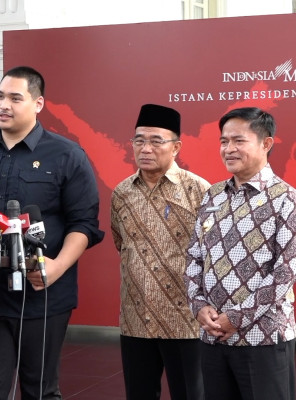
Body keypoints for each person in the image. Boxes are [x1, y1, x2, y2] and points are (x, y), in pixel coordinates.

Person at [0, 65, 104, 400]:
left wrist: (57, 267)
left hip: (43, 294)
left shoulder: (67, 155)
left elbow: (84, 224)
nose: (3, 105)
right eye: (0, 96)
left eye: (15, 98)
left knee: (40, 391)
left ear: (38, 103)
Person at [184, 107, 296, 400]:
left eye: (238, 141)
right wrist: (198, 306)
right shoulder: (213, 195)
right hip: (213, 336)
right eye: (224, 141)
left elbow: (285, 271)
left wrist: (236, 317)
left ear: (266, 144)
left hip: (263, 339)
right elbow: (194, 256)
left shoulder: (286, 199)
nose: (228, 149)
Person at [111, 104, 209, 400]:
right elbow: (121, 243)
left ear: (176, 147)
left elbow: (210, 253)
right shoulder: (122, 193)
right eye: (139, 140)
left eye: (156, 141)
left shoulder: (199, 191)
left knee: (191, 394)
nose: (145, 148)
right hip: (136, 317)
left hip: (185, 320)